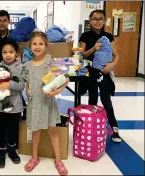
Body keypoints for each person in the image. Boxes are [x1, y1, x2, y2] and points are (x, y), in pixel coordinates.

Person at [23, 31, 69, 175]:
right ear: (30, 46)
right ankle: (34, 157)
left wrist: (56, 92)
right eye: (34, 44)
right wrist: (28, 90)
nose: (37, 47)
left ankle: (58, 160)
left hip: (48, 103)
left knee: (53, 132)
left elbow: (65, 79)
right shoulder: (27, 65)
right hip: (34, 104)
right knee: (35, 132)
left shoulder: (50, 61)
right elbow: (27, 82)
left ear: (46, 45)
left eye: (41, 44)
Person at [79, 9, 121, 143]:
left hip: (105, 71)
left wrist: (111, 66)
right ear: (90, 21)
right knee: (92, 99)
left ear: (104, 21)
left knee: (106, 100)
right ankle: (92, 128)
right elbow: (82, 54)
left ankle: (114, 129)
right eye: (94, 19)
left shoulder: (109, 36)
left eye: (100, 19)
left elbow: (116, 55)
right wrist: (93, 49)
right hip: (91, 71)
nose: (97, 21)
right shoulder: (85, 36)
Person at [0, 40, 24, 168]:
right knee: (0, 128)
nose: (8, 55)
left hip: (15, 105)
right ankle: (1, 152)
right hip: (0, 105)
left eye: (11, 52)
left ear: (16, 53)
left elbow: (21, 85)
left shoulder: (20, 67)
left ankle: (12, 151)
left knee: (13, 128)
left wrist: (9, 84)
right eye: (5, 52)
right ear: (1, 53)